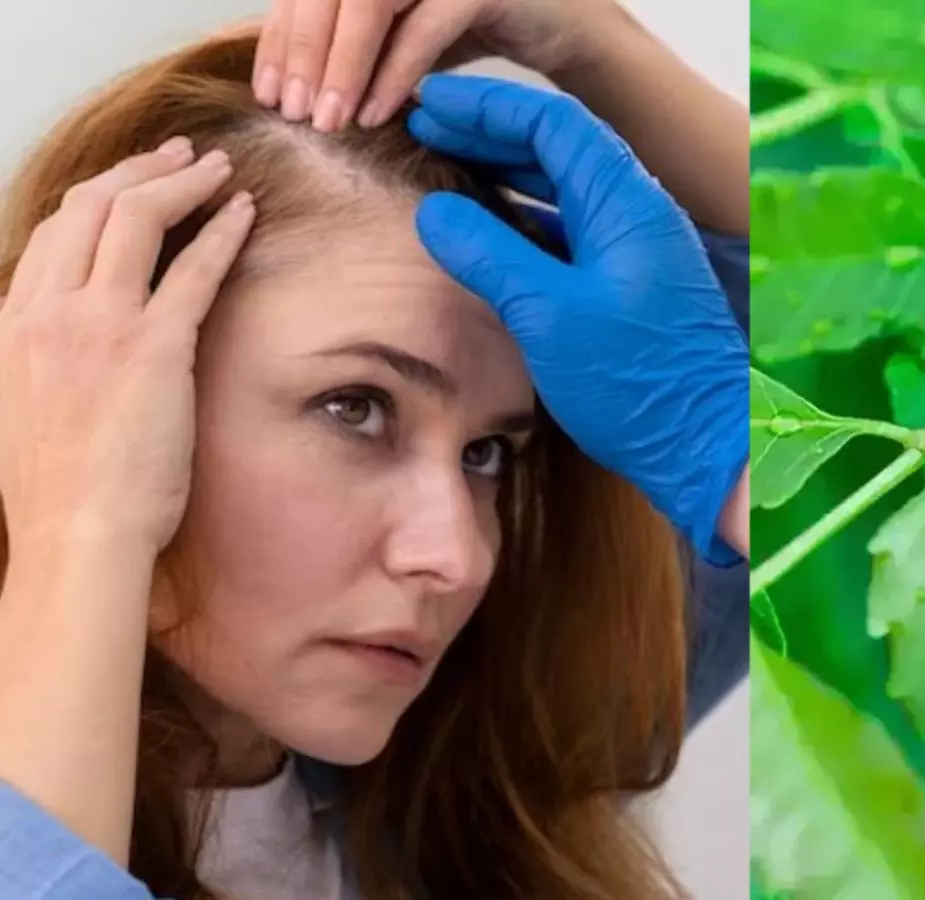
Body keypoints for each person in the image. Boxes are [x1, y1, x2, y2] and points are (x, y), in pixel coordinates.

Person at [0, 0, 748, 897]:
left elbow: (877, 411)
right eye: (355, 408)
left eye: (488, 454)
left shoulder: (482, 783)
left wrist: (597, 45)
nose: (460, 559)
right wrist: (79, 533)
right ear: (86, 393)